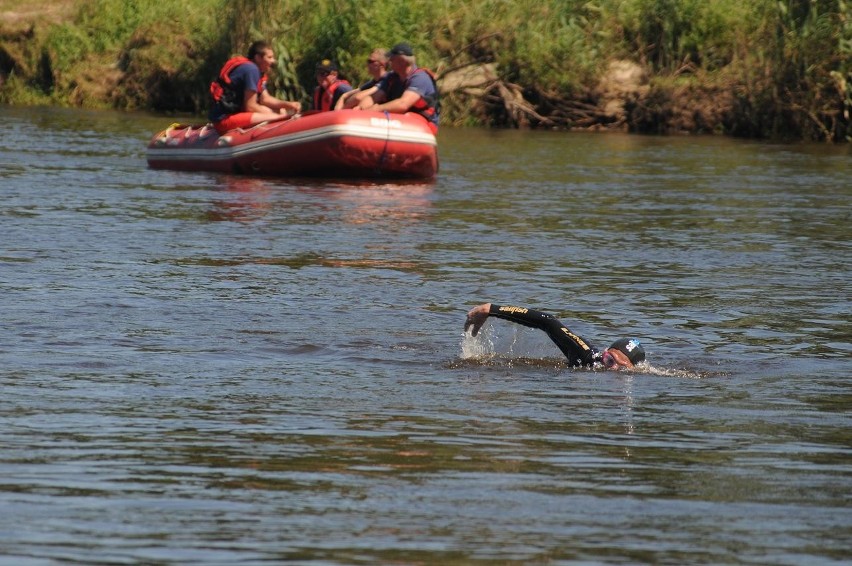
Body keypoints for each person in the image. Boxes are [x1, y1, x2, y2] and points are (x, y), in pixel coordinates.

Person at [464, 302, 646, 370]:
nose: (611, 369)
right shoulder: (587, 357)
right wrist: (492, 310)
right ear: (604, 353)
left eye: (620, 368)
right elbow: (548, 321)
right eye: (609, 361)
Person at [208, 40, 302, 134]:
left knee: (281, 110)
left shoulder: (255, 71)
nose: (273, 61)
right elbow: (250, 107)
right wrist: (277, 115)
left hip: (235, 114)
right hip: (224, 120)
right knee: (279, 117)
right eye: (269, 57)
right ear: (258, 58)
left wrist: (288, 104)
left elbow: (265, 99)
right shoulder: (251, 70)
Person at [355, 42, 439, 134]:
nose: (389, 61)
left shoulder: (420, 78)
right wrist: (361, 109)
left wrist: (377, 109)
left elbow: (403, 104)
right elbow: (374, 97)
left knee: (406, 116)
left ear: (402, 61)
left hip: (421, 122)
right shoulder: (391, 77)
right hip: (397, 119)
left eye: (392, 59)